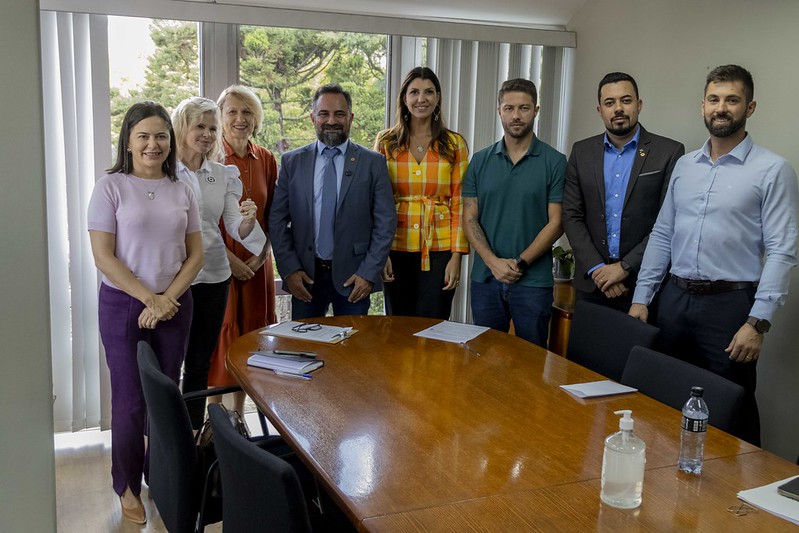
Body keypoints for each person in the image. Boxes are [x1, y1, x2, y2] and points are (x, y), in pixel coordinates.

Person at [629, 65, 799, 445]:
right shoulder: (685, 166)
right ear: (703, 105)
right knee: (666, 400)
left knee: (732, 408)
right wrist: (642, 298)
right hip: (673, 300)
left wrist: (757, 323)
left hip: (730, 307)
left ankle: (746, 496)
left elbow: (782, 249)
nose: (721, 108)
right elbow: (662, 234)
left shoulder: (773, 171)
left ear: (749, 107)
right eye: (714, 99)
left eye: (732, 100)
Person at [88, 101, 203, 524]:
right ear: (129, 141)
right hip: (123, 304)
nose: (153, 144)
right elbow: (103, 256)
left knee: (165, 395)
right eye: (144, 136)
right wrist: (148, 298)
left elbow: (195, 254)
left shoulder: (182, 187)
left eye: (160, 136)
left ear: (170, 142)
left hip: (175, 302)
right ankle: (127, 485)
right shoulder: (111, 187)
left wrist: (167, 297)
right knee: (131, 401)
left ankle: (161, 474)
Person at [171, 97, 266, 429]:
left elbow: (235, 228)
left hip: (213, 278)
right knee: (169, 364)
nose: (207, 134)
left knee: (199, 363)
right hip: (172, 281)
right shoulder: (163, 173)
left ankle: (194, 437)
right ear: (181, 127)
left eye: (212, 128)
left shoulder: (221, 175)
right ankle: (167, 441)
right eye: (199, 126)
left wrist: (249, 221)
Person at [270, 83, 396, 319]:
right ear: (312, 118)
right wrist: (289, 270)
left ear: (351, 118)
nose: (331, 121)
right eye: (324, 114)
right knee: (304, 350)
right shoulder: (292, 162)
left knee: (352, 351)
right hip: (305, 277)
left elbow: (385, 223)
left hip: (354, 278)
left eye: (339, 114)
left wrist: (368, 273)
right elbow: (277, 221)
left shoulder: (373, 163)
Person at [562, 72, 684, 313]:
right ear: (600, 110)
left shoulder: (668, 152)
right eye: (610, 103)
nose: (618, 108)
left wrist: (624, 267)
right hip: (592, 284)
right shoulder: (582, 152)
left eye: (626, 101)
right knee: (586, 352)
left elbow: (669, 222)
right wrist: (598, 269)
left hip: (643, 284)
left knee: (639, 351)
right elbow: (571, 215)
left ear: (639, 105)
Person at [463, 78, 566, 347]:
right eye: (509, 108)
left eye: (524, 108)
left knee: (531, 362)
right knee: (483, 358)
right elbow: (470, 217)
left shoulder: (555, 162)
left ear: (536, 110)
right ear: (499, 110)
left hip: (533, 283)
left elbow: (557, 223)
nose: (516, 116)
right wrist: (493, 262)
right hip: (486, 280)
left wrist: (520, 263)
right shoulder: (479, 161)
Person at [374, 67, 469, 319]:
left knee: (434, 326)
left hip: (440, 248)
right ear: (404, 98)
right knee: (398, 328)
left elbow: (461, 201)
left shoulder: (454, 143)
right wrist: (380, 253)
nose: (421, 99)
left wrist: (457, 256)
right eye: (414, 92)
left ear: (437, 97)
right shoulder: (386, 142)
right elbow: (376, 201)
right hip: (394, 245)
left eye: (428, 92)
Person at [208, 85, 277, 415]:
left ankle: (238, 416)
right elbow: (201, 221)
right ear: (220, 117)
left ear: (256, 119)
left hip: (258, 263)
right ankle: (214, 419)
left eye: (247, 112)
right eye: (232, 111)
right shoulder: (210, 159)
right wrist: (230, 259)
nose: (240, 118)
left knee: (252, 336)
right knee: (220, 333)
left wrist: (261, 256)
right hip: (218, 261)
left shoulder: (265, 159)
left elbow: (275, 214)